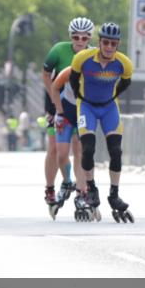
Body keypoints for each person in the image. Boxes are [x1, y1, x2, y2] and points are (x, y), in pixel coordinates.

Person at [68, 22, 135, 223]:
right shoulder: (82, 58)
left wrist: (111, 96)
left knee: (116, 150)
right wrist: (80, 95)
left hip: (109, 108)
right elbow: (73, 78)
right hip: (86, 106)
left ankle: (114, 194)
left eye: (113, 44)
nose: (108, 47)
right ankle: (92, 188)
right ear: (99, 42)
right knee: (88, 148)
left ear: (118, 44)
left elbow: (126, 82)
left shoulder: (124, 63)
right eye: (105, 43)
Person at [41, 17, 94, 211]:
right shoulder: (58, 50)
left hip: (79, 104)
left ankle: (81, 191)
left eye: (84, 37)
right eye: (76, 37)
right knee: (55, 148)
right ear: (70, 36)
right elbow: (45, 74)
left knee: (79, 147)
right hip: (55, 100)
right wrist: (53, 98)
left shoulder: (93, 54)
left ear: (89, 38)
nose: (80, 41)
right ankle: (52, 187)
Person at [48, 66, 84, 219]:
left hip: (83, 112)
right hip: (66, 111)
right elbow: (54, 87)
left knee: (81, 151)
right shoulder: (69, 71)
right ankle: (67, 181)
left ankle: (82, 191)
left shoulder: (93, 71)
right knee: (61, 154)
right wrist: (59, 112)